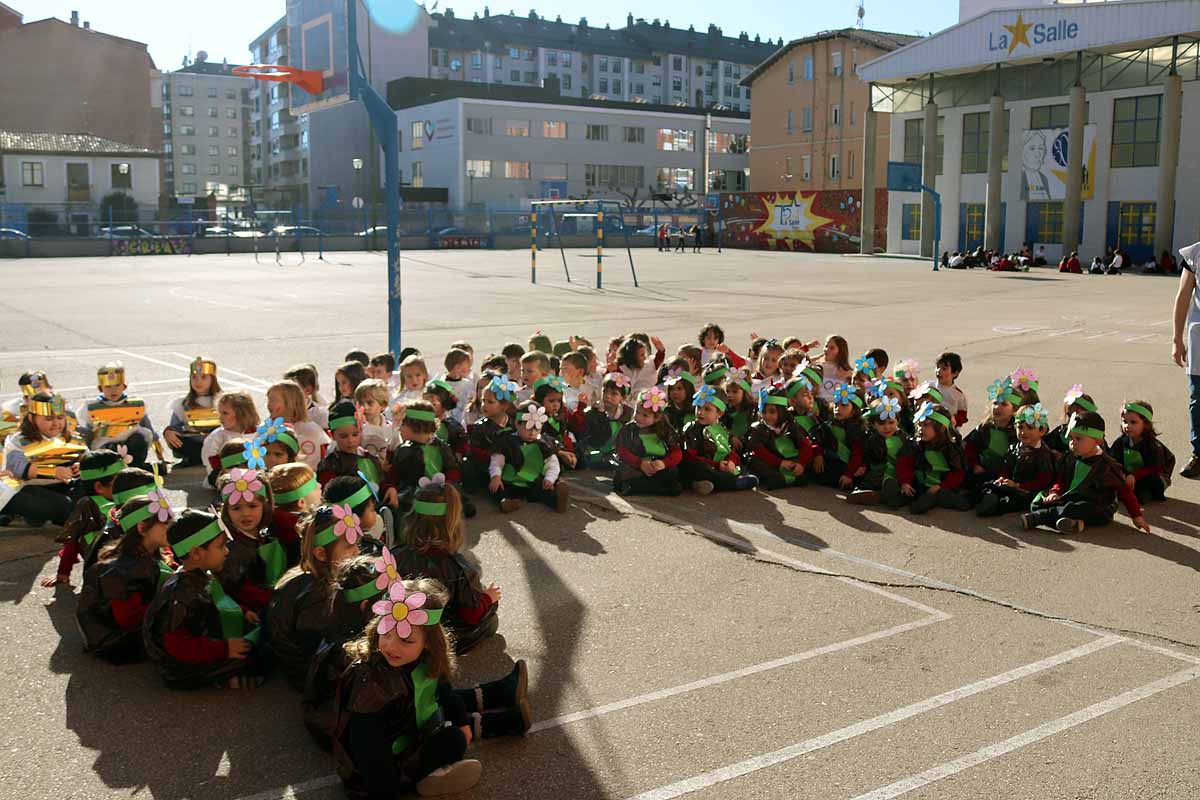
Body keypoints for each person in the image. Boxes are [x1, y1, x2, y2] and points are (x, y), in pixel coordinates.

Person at [328, 577, 485, 797]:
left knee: (455, 737)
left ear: (429, 643)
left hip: (410, 735)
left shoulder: (427, 661)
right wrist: (388, 789)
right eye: (386, 633)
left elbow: (444, 690)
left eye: (406, 641)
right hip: (378, 768)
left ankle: (428, 778)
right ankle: (419, 782)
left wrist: (461, 720)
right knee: (451, 742)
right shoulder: (372, 681)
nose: (391, 645)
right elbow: (366, 748)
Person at [143, 509, 270, 689]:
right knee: (251, 657)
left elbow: (217, 600)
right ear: (196, 553)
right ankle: (224, 679)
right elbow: (177, 645)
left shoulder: (201, 574)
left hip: (204, 639)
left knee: (259, 643)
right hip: (179, 664)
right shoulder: (180, 593)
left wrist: (243, 612)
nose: (226, 552)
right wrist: (225, 648)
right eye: (220, 546)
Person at [390, 480, 501, 652]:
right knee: (491, 620)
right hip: (433, 634)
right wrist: (488, 598)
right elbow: (470, 615)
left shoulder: (395, 554)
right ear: (452, 523)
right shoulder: (456, 567)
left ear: (412, 518)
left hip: (397, 624)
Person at [267, 504, 362, 690]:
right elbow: (316, 649)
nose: (357, 552)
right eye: (350, 547)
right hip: (307, 673)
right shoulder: (317, 595)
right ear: (321, 553)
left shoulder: (309, 574)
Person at [75, 493, 174, 663]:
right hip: (114, 640)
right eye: (166, 524)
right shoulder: (120, 570)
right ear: (142, 528)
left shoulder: (146, 554)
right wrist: (166, 605)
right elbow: (127, 619)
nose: (172, 528)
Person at [1021, 411, 1150, 535]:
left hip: (1098, 506)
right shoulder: (1070, 458)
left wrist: (1136, 516)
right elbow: (1062, 480)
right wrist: (1055, 492)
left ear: (1098, 441)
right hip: (1071, 499)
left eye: (1079, 439)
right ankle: (1072, 524)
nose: (1073, 443)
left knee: (1081, 508)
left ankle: (1041, 518)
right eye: (1071, 438)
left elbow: (1125, 491)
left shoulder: (1107, 465)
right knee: (1038, 502)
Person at [40, 449, 124, 587]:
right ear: (99, 487)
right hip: (108, 568)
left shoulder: (129, 496)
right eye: (120, 481)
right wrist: (63, 574)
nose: (128, 484)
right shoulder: (87, 505)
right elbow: (71, 541)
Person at [2, 393, 85, 526]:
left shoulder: (73, 438)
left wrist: (81, 466)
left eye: (60, 417)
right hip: (29, 488)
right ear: (31, 418)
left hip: (65, 486)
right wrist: (53, 472)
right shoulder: (17, 440)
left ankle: (39, 516)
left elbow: (87, 457)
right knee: (64, 507)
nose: (56, 423)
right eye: (49, 418)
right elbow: (16, 467)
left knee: (88, 499)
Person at [976, 403, 1057, 517]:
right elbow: (1006, 466)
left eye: (1030, 427)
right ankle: (986, 497)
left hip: (1027, 490)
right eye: (1020, 427)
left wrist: (1018, 485)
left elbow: (1043, 482)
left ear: (1042, 431)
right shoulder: (1014, 447)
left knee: (1014, 500)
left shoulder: (1043, 454)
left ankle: (994, 505)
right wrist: (1002, 478)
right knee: (990, 485)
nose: (1023, 432)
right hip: (1011, 485)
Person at [75, 363, 160, 471]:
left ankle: (135, 467)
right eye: (108, 386)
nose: (113, 390)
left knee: (139, 439)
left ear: (124, 386)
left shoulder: (136, 404)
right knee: (107, 452)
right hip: (106, 444)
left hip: (130, 443)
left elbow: (149, 428)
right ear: (100, 388)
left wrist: (159, 454)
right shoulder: (92, 408)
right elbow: (88, 433)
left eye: (117, 385)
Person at [487, 401, 568, 513]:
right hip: (511, 482)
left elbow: (552, 464)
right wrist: (496, 476)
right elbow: (497, 461)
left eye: (537, 429)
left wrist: (550, 479)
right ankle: (505, 501)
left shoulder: (544, 444)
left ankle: (556, 501)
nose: (532, 433)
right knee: (496, 488)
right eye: (529, 428)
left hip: (532, 482)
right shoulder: (507, 441)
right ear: (517, 424)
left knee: (543, 491)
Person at [680, 385, 759, 495]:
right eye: (698, 407)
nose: (700, 412)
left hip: (717, 467)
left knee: (736, 464)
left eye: (707, 409)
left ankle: (701, 484)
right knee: (697, 467)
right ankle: (733, 483)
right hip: (703, 466)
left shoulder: (721, 428)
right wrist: (717, 465)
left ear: (719, 413)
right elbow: (689, 456)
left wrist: (731, 461)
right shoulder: (691, 429)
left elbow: (729, 450)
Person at [896, 402, 972, 514]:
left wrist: (940, 486)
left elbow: (958, 473)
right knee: (904, 495)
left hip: (944, 485)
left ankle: (937, 499)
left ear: (940, 427)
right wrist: (905, 482)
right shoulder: (915, 445)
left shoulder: (951, 448)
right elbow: (905, 464)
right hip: (921, 483)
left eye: (926, 425)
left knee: (944, 496)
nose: (921, 429)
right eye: (920, 425)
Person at [612, 387, 683, 496]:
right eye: (637, 413)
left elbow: (676, 452)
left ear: (657, 418)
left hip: (656, 468)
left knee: (673, 472)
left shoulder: (665, 431)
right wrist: (640, 464)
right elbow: (622, 452)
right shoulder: (628, 430)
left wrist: (663, 463)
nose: (639, 418)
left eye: (645, 415)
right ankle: (658, 488)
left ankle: (637, 487)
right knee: (622, 471)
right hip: (636, 467)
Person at [963, 377, 1022, 498]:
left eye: (1004, 404)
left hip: (1003, 473)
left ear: (1014, 410)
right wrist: (975, 464)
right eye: (995, 403)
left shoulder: (1017, 431)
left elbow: (1015, 460)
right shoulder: (986, 427)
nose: (997, 407)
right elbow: (970, 446)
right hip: (982, 468)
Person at [1109, 401, 1175, 504]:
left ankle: (1150, 493)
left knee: (1141, 495)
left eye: (1133, 422)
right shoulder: (1121, 441)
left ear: (1146, 424)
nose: (1127, 426)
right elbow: (1113, 459)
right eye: (1125, 421)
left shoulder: (1152, 445)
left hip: (1151, 476)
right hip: (1130, 475)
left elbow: (1155, 467)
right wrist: (1123, 474)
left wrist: (1134, 476)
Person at [745, 387, 809, 490]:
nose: (767, 416)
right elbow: (759, 450)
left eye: (772, 412)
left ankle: (791, 476)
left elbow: (805, 445)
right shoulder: (759, 428)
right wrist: (780, 462)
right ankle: (778, 478)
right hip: (772, 461)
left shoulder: (791, 425)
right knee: (754, 460)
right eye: (764, 412)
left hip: (788, 459)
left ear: (782, 411)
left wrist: (801, 463)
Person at [1172, 242, 1200, 479]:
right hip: (1199, 338)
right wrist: (1177, 339)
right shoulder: (1195, 255)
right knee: (1198, 398)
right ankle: (1198, 454)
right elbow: (1183, 296)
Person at [163, 357, 221, 467]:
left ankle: (204, 458)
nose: (198, 381)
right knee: (178, 440)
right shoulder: (182, 404)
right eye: (194, 377)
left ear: (213, 379)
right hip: (194, 444)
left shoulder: (223, 401)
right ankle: (201, 457)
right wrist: (168, 432)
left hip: (218, 444)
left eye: (204, 377)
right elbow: (175, 427)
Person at [848, 398, 905, 506]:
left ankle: (887, 497)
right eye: (881, 423)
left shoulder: (903, 438)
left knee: (896, 483)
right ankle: (862, 492)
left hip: (897, 472)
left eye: (891, 422)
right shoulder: (872, 439)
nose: (887, 427)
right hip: (878, 470)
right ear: (873, 424)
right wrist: (863, 466)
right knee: (867, 479)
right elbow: (867, 455)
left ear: (898, 421)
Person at [201, 390, 260, 486]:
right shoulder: (218, 436)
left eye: (225, 413)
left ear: (242, 413)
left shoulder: (258, 433)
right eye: (219, 413)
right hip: (226, 473)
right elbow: (209, 459)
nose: (220, 418)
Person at [267, 380, 328, 471]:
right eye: (268, 400)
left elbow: (309, 467)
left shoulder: (308, 430)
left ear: (291, 401)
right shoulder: (269, 427)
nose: (269, 404)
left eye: (273, 400)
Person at [354, 379, 398, 460]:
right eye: (361, 403)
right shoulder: (357, 428)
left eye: (370, 403)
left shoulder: (391, 428)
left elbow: (396, 450)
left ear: (383, 405)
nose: (365, 407)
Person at [283, 363, 329, 429]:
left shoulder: (320, 414)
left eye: (292, 389)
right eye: (285, 388)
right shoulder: (282, 411)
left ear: (307, 390)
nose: (286, 392)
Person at [934, 352, 968, 428]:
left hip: (949, 432)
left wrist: (953, 418)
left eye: (944, 368)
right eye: (937, 367)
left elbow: (962, 416)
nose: (938, 370)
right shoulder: (929, 387)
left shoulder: (958, 395)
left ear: (955, 373)